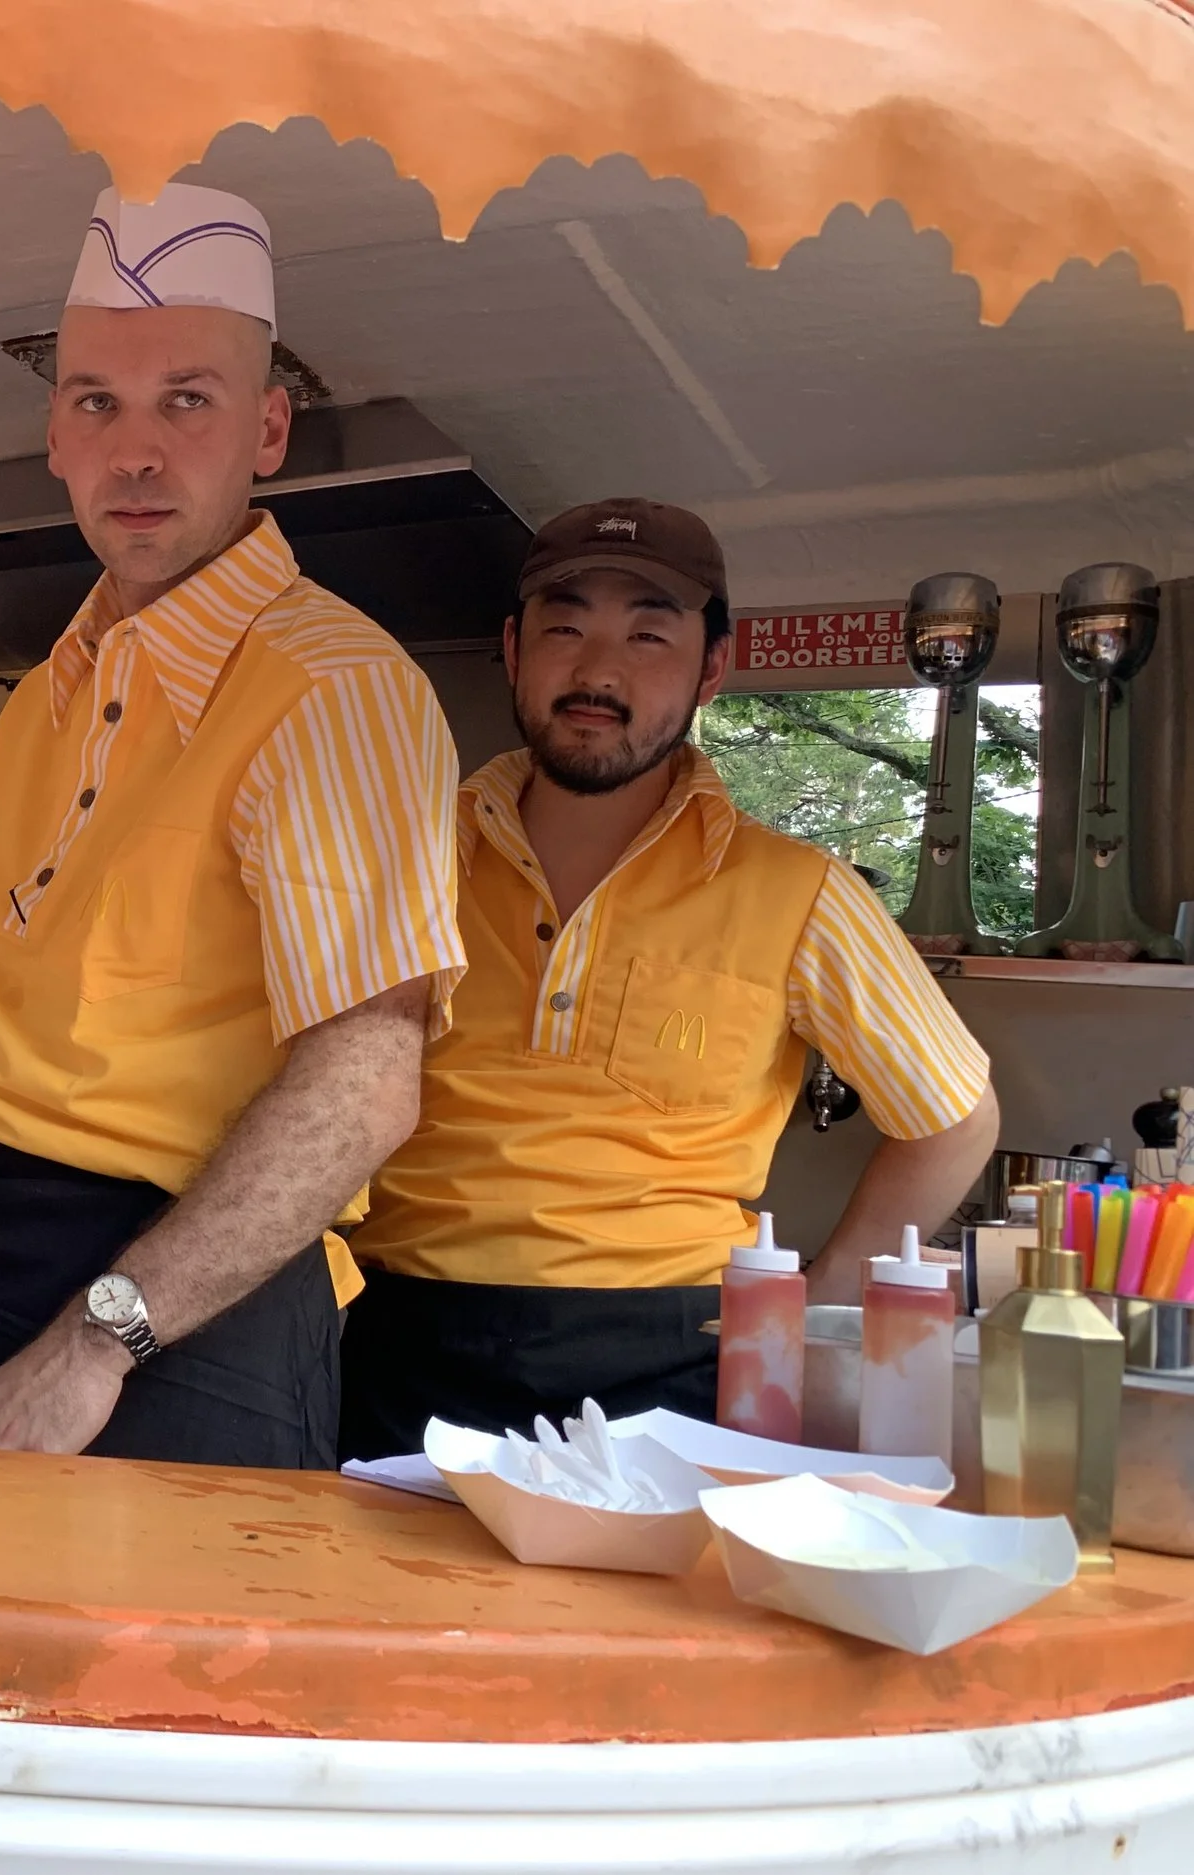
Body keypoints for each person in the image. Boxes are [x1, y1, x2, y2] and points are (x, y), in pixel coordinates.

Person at [0, 183, 469, 1469]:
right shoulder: (45, 691)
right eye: (98, 402)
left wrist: (98, 1344)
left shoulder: (331, 687)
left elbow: (365, 1085)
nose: (136, 451)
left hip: (181, 1312)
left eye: (186, 400)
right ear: (55, 433)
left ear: (268, 430)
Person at [341, 498, 1000, 1458]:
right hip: (400, 1346)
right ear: (515, 650)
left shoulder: (798, 890)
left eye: (648, 634)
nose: (598, 671)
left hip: (673, 1364)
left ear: (712, 668)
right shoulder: (403, 860)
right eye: (565, 628)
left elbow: (954, 1118)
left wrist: (812, 1301)